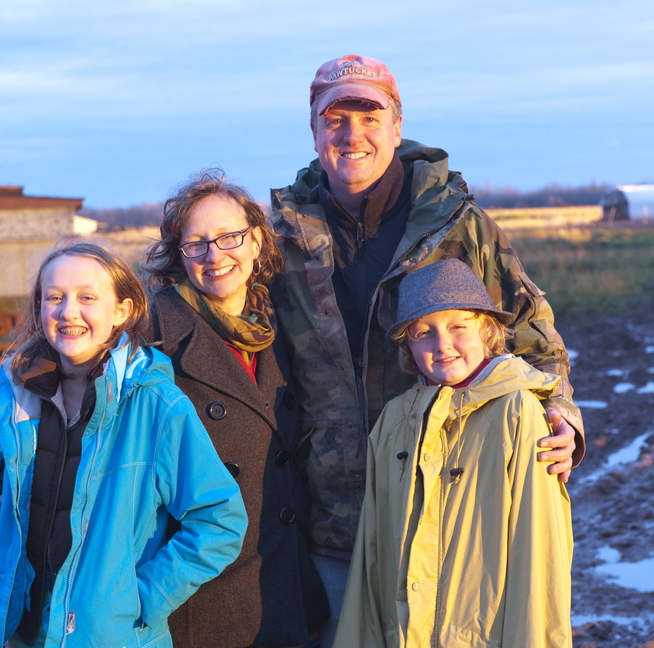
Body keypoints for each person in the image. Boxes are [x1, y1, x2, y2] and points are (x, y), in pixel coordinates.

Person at [268, 53, 583, 644]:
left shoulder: (458, 226)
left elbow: (536, 337)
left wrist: (561, 415)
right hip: (329, 524)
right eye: (335, 118)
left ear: (396, 122)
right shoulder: (280, 235)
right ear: (314, 129)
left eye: (369, 115)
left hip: (447, 519)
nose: (352, 134)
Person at [0, 242, 247, 648]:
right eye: (54, 297)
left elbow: (219, 521)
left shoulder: (156, 406)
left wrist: (141, 598)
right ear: (39, 310)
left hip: (112, 636)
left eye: (87, 297)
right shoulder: (13, 396)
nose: (68, 311)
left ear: (120, 311)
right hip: (23, 632)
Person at [333, 259, 573, 648]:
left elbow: (539, 555)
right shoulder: (394, 421)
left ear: (487, 330)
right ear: (407, 346)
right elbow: (372, 555)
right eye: (423, 333)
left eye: (459, 326)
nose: (442, 344)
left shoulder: (518, 412)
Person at [144, 169, 329, 648]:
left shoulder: (278, 325)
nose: (215, 255)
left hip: (284, 583)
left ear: (256, 242)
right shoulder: (152, 338)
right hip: (204, 600)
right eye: (197, 244)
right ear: (178, 256)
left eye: (230, 237)